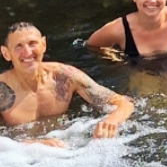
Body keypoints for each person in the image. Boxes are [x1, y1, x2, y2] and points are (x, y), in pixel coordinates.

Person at [0, 23, 135, 146]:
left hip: (65, 148)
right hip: (17, 158)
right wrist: (33, 145)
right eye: (19, 46)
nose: (28, 52)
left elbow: (124, 103)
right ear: (6, 53)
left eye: (32, 43)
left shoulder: (65, 76)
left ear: (43, 45)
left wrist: (111, 120)